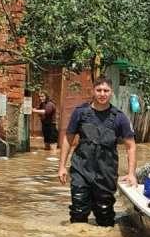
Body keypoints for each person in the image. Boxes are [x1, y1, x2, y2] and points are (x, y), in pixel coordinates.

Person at [58, 77, 136, 227]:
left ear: (111, 92)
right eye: (99, 90)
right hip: (81, 168)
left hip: (106, 173)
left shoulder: (120, 118)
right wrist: (62, 166)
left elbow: (131, 146)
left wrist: (131, 173)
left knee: (104, 214)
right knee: (78, 210)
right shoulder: (80, 113)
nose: (102, 94)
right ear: (93, 91)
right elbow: (68, 140)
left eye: (106, 90)